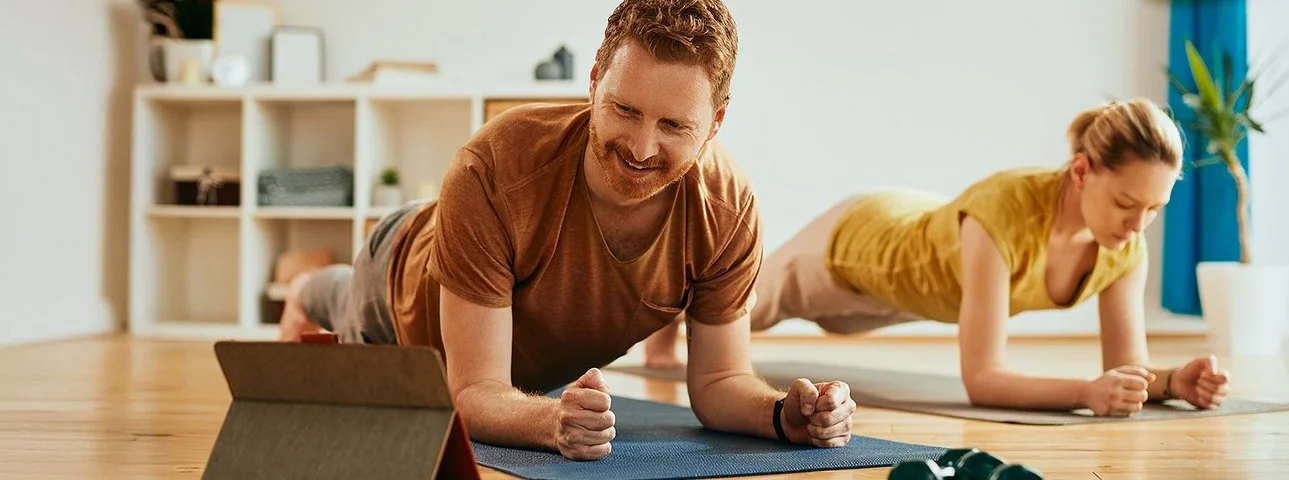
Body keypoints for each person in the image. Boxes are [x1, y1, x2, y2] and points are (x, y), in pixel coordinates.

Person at [275, 0, 857, 460]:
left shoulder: (726, 210)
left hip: (517, 347)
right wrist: (552, 420)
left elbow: (720, 379)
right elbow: (472, 391)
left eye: (674, 125)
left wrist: (783, 415)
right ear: (595, 81)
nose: (642, 148)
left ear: (716, 122)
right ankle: (303, 287)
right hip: (401, 280)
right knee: (341, 299)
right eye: (625, 110)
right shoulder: (491, 165)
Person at [718, 97, 1229, 417]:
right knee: (729, 310)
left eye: (1154, 209)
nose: (1138, 225)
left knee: (818, 323)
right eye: (1125, 203)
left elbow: (1126, 368)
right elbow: (984, 379)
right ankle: (670, 338)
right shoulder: (1003, 212)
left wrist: (1172, 381)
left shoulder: (1124, 246)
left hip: (914, 281)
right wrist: (1084, 393)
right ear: (1080, 171)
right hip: (863, 242)